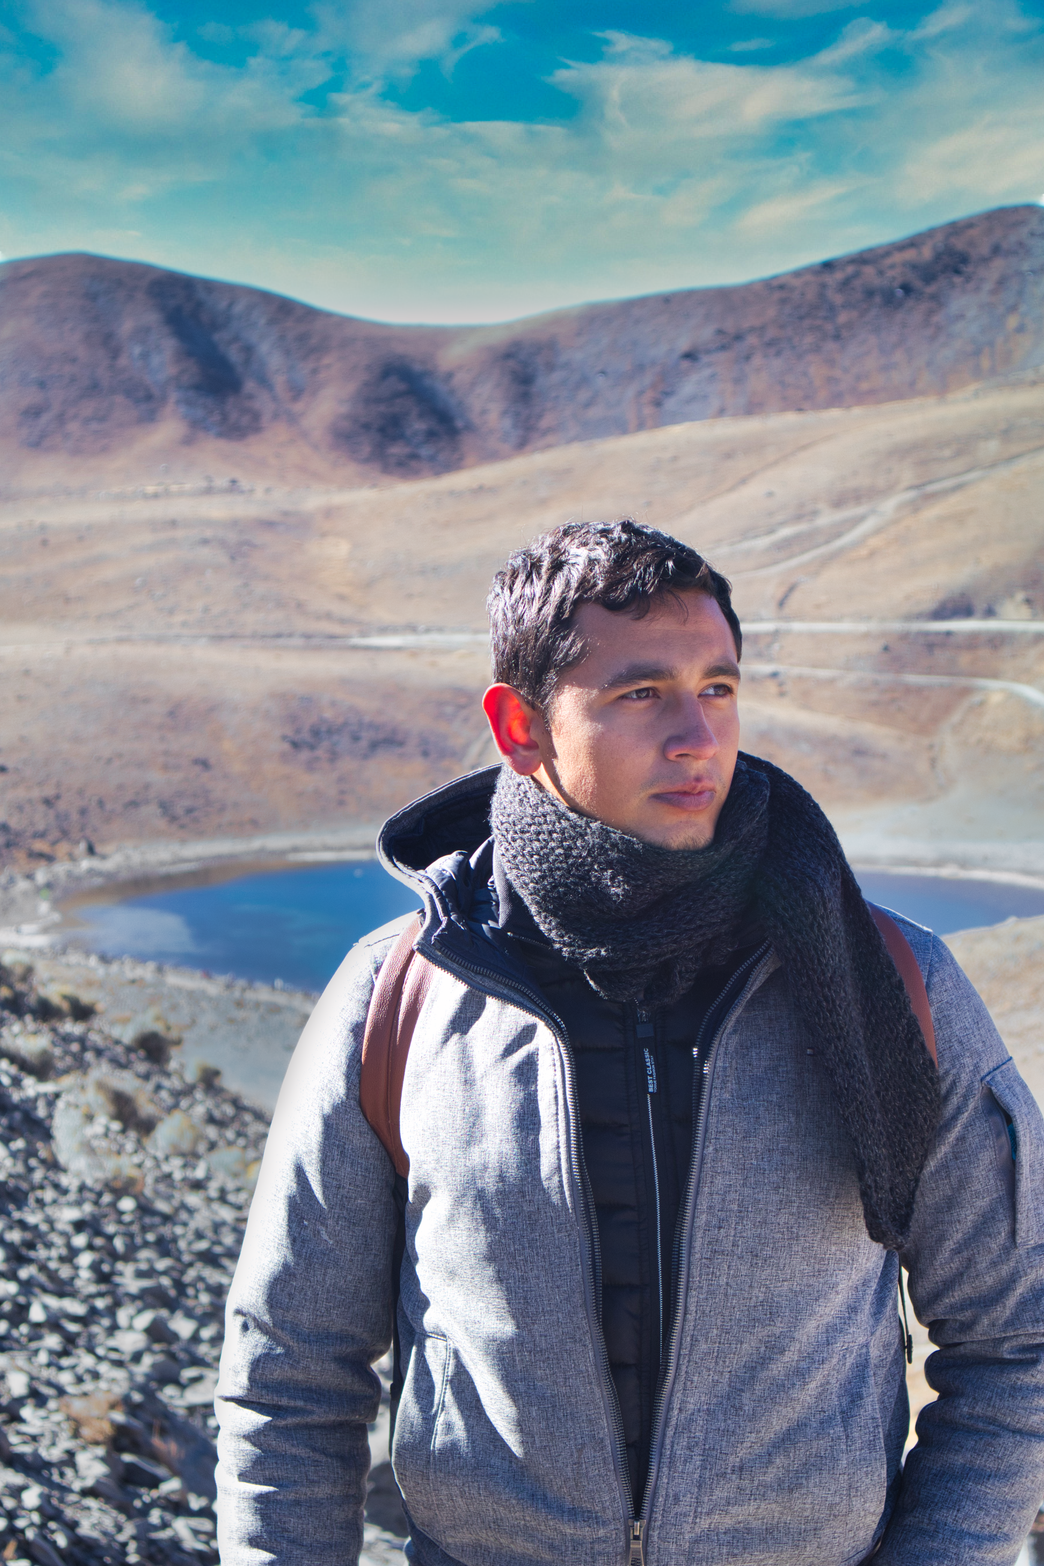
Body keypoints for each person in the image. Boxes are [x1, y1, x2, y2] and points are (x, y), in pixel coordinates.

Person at [216, 520, 1044, 1566]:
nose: (698, 737)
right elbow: (290, 1372)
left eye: (719, 688)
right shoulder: (401, 996)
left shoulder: (885, 981)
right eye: (642, 693)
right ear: (521, 728)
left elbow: (1018, 1338)